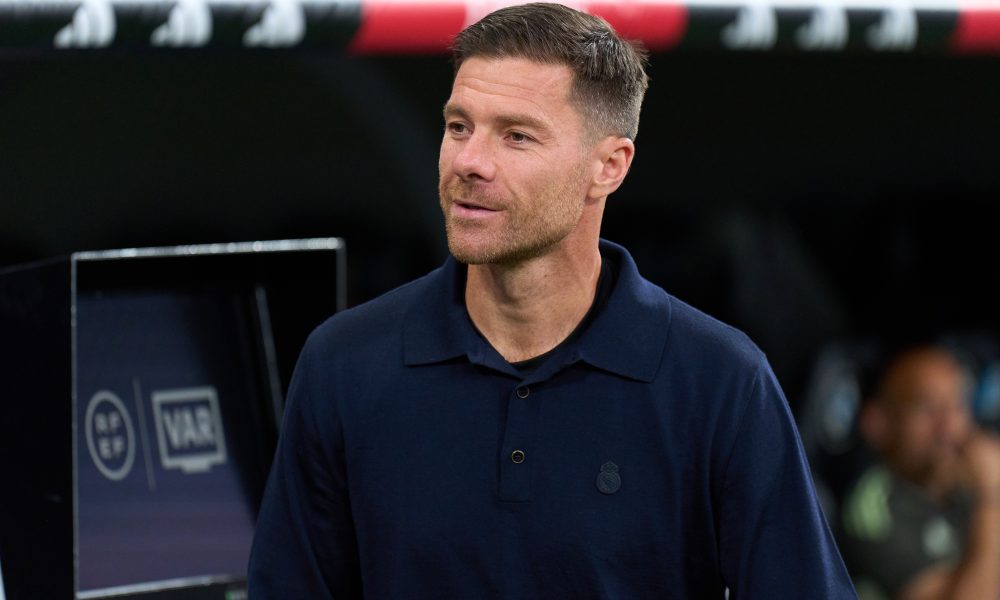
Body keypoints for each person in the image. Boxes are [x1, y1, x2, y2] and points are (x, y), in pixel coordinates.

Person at [247, 3, 856, 598]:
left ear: (609, 168)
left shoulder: (721, 380)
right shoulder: (343, 364)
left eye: (516, 136)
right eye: (458, 126)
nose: (468, 161)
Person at [841, 346, 1000, 600]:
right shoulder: (871, 514)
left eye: (958, 404)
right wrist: (989, 497)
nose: (949, 425)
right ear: (878, 423)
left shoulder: (964, 482)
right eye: (927, 408)